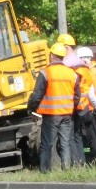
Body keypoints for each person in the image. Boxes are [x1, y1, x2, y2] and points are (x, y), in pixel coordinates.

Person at [27, 42, 80, 173]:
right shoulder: (72, 74)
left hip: (51, 115)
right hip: (67, 115)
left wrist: (31, 108)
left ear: (52, 56)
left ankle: (45, 171)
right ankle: (66, 169)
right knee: (65, 143)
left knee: (47, 144)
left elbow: (37, 94)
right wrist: (72, 109)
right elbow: (77, 96)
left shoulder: (46, 73)